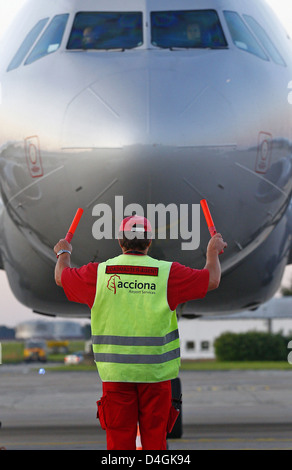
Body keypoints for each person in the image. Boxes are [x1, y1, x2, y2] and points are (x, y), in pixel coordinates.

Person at [53, 215, 227, 450]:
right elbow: (213, 279)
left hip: (117, 376)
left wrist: (63, 252)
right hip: (155, 376)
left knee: (119, 442)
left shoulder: (100, 274)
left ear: (119, 240)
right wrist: (212, 252)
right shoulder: (167, 273)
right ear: (149, 241)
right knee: (155, 441)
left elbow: (61, 277)